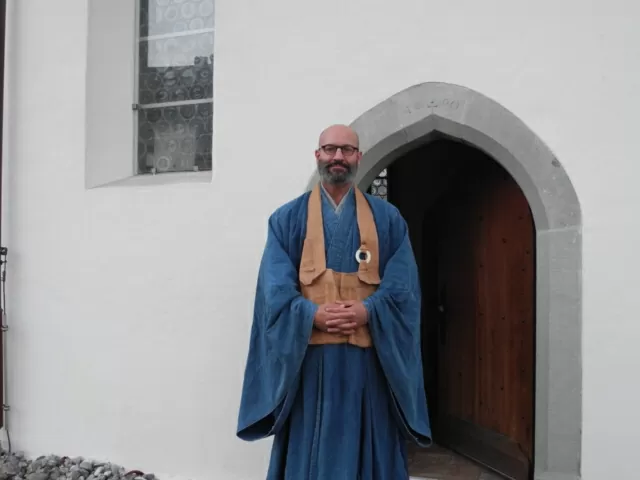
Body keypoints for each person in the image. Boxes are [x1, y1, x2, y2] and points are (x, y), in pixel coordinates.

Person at [236, 124, 432, 479]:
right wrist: (311, 314)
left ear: (358, 157)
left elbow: (403, 287)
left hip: (368, 364)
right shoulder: (286, 220)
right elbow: (274, 289)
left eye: (346, 150)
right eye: (329, 149)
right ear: (317, 155)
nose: (337, 157)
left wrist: (367, 310)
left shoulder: (388, 220)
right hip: (310, 363)